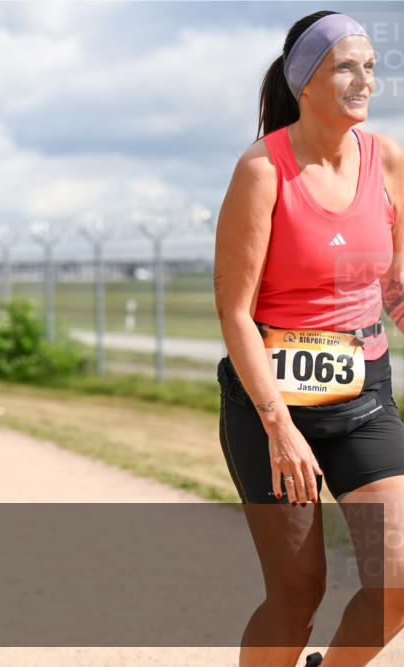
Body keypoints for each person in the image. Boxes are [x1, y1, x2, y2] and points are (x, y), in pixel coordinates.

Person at [214, 12, 404, 666]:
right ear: (305, 81)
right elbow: (236, 312)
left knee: (397, 579)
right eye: (346, 66)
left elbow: (396, 287)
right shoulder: (263, 171)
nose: (365, 81)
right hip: (270, 403)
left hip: (364, 400)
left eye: (371, 67)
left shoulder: (391, 164)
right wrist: (279, 426)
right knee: (298, 592)